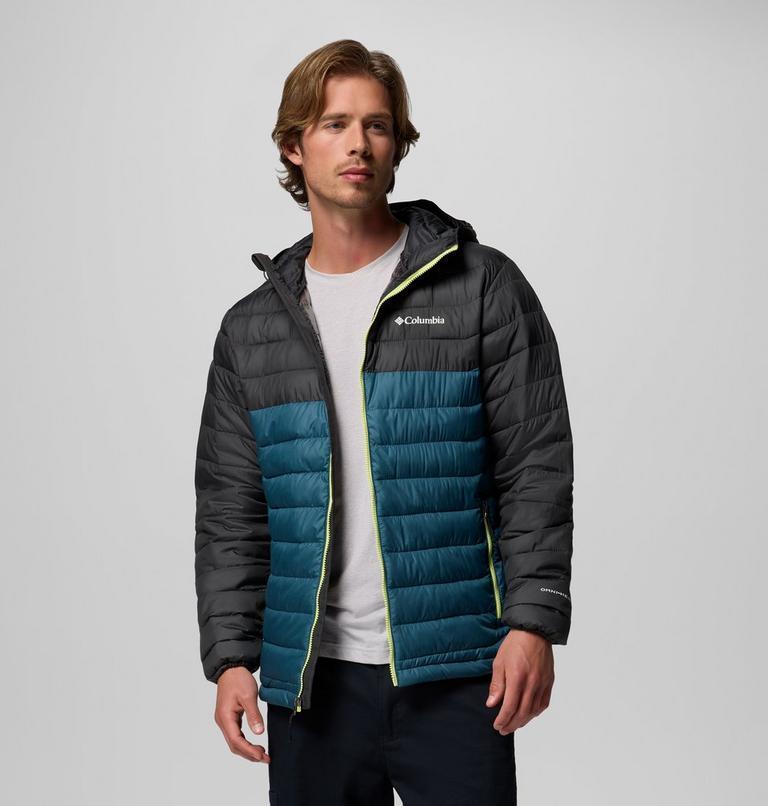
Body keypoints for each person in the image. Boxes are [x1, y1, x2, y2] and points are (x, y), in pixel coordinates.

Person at [194, 38, 574, 806]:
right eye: (334, 124)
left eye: (376, 125)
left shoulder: (482, 287)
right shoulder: (252, 329)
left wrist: (533, 623)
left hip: (458, 670)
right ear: (294, 147)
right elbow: (232, 509)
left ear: (398, 145)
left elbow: (535, 467)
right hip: (312, 684)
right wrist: (232, 657)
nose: (358, 144)